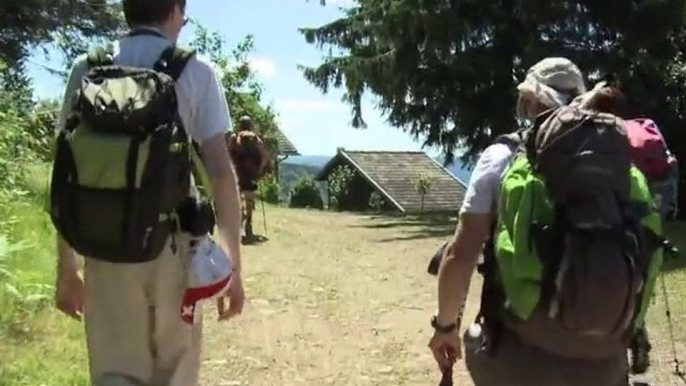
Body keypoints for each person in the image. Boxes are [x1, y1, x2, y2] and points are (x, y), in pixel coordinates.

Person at [427, 57, 662, 386]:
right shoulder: (618, 165)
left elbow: (460, 253)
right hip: (606, 362)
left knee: (474, 337)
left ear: (531, 100)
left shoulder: (503, 156)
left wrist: (445, 328)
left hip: (517, 359)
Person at [52, 1, 245, 385]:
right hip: (174, 250)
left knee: (115, 373)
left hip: (104, 250)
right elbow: (221, 173)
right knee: (175, 372)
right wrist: (233, 268)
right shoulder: (197, 71)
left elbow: (66, 170)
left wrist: (67, 267)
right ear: (174, 10)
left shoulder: (87, 68)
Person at [227, 115, 271, 243]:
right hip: (251, 174)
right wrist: (258, 170)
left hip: (238, 173)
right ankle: (249, 223)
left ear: (239, 125)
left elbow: (228, 154)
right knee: (250, 199)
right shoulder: (256, 139)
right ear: (250, 125)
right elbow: (264, 157)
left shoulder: (235, 138)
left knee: (237, 198)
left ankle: (241, 216)